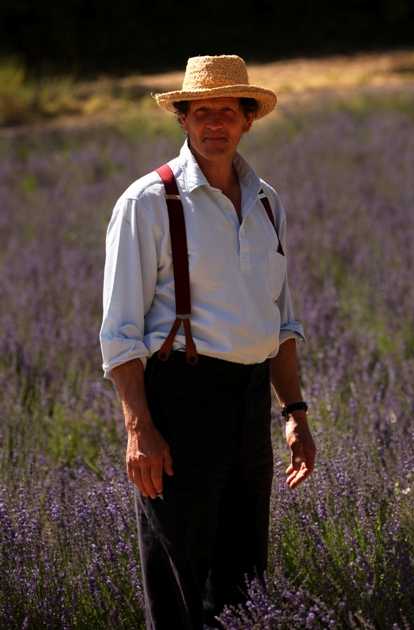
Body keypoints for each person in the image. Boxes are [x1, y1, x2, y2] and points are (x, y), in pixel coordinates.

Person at [98, 54, 317, 629]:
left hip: (248, 404)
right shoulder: (148, 202)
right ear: (184, 121)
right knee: (178, 584)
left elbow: (281, 322)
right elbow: (120, 334)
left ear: (248, 119)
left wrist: (294, 411)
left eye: (227, 111)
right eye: (201, 113)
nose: (214, 123)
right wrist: (139, 428)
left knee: (245, 584)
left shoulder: (267, 202)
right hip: (179, 402)